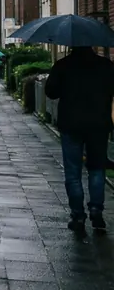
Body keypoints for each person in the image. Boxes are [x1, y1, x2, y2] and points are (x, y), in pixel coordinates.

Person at [45, 46, 114, 234]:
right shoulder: (106, 65)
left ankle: (78, 215)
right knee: (97, 169)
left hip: (71, 124)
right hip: (99, 125)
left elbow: (51, 92)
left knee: (73, 172)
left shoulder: (63, 65)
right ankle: (96, 210)